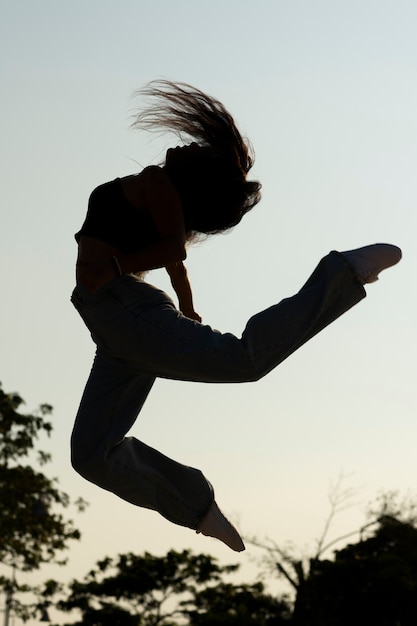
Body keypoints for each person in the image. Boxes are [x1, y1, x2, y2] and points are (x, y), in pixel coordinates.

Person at [71, 80, 401, 552]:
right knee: (92, 454)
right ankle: (196, 506)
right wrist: (185, 307)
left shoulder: (160, 185)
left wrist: (120, 268)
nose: (186, 144)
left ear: (197, 171)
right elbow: (175, 261)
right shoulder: (156, 181)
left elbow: (170, 249)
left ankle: (343, 273)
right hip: (114, 324)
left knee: (243, 361)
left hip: (124, 312)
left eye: (196, 148)